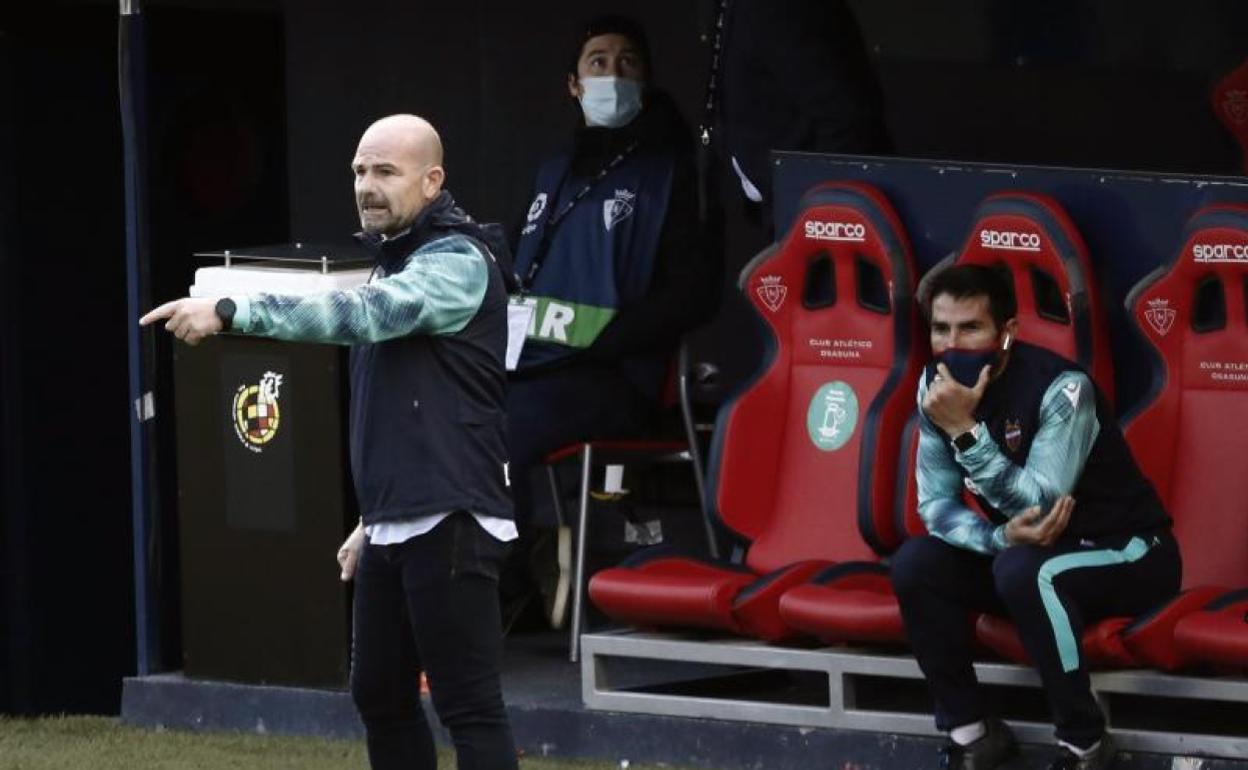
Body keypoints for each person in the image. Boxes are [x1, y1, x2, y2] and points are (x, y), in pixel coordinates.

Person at [141, 114, 518, 770]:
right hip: (394, 522)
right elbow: (404, 409)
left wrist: (232, 308)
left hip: (452, 517)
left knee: (468, 708)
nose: (366, 186)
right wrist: (372, 519)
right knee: (379, 696)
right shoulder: (394, 261)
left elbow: (365, 316)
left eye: (385, 172)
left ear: (433, 182)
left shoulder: (456, 261)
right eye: (358, 172)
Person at [890, 265, 1180, 770]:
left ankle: (1084, 744)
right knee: (916, 563)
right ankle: (970, 733)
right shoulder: (934, 388)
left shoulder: (1063, 389)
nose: (953, 343)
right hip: (1029, 551)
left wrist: (964, 430)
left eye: (971, 328)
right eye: (941, 329)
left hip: (1127, 553)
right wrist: (997, 535)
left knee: (1025, 569)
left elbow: (1039, 505)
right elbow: (935, 506)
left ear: (1007, 333)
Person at [503, 15, 713, 626]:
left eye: (627, 63)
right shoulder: (553, 171)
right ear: (574, 83)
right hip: (536, 366)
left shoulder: (674, 172)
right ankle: (526, 554)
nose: (612, 74)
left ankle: (508, 581)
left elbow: (694, 296)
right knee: (454, 409)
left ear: (646, 79)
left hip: (618, 380)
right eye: (599, 62)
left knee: (505, 430)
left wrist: (601, 339)